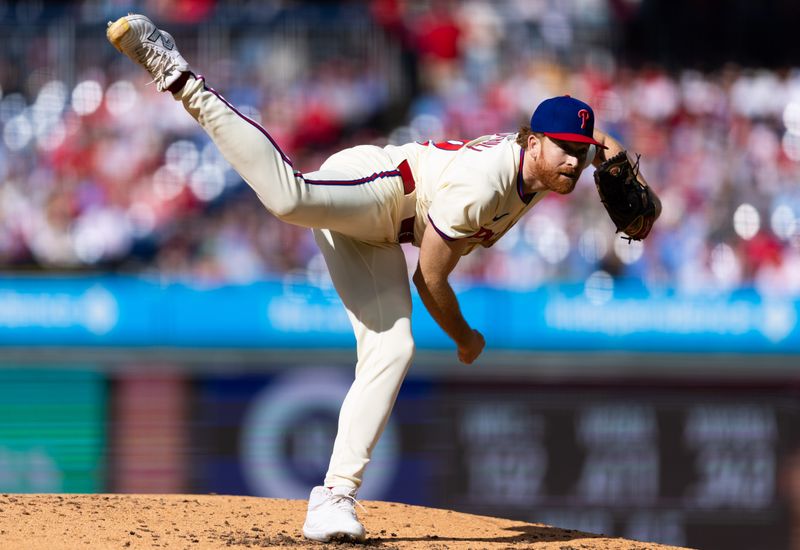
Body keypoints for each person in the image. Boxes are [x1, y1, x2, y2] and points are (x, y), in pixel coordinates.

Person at [106, 13, 660, 543]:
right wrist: (465, 337)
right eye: (565, 149)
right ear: (533, 140)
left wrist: (606, 151)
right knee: (289, 197)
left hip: (385, 231)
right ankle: (177, 74)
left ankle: (333, 499)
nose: (575, 163)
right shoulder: (487, 183)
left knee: (392, 348)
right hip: (376, 187)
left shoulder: (545, 164)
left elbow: (591, 140)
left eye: (581, 155)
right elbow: (430, 279)